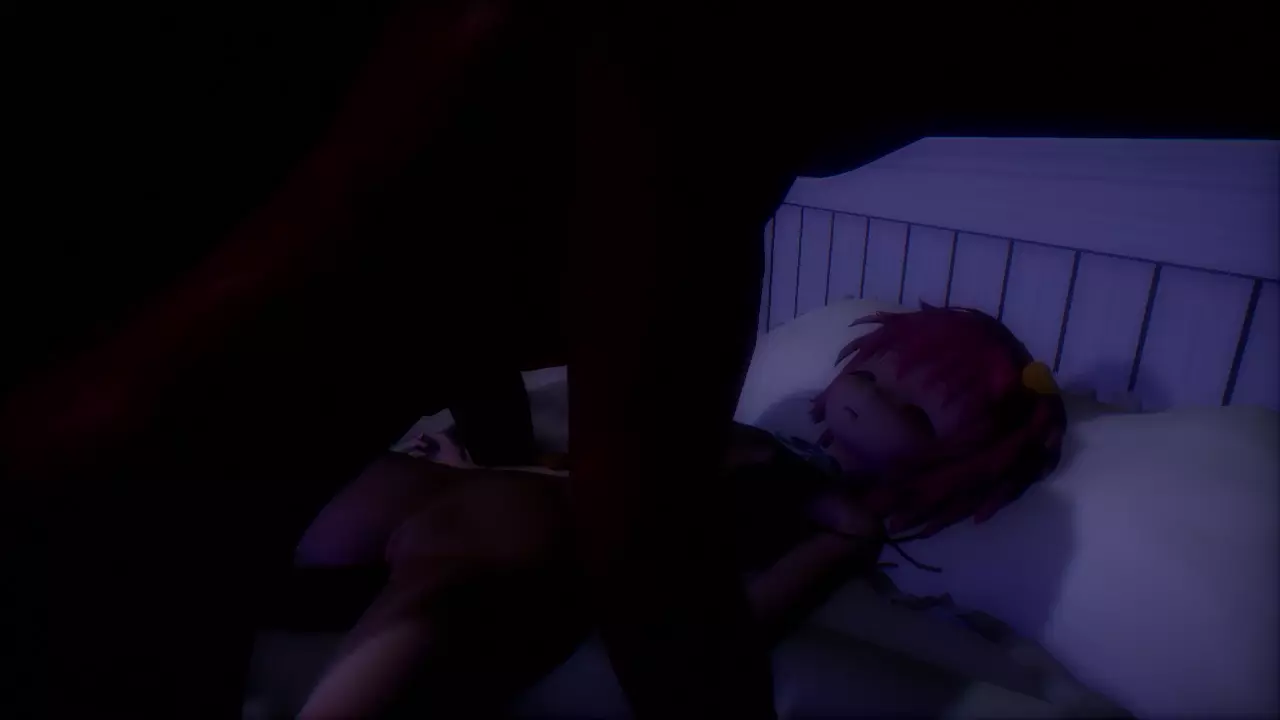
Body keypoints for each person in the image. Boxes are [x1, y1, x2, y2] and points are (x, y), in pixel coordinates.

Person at [4, 3, 1266, 718]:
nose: (851, 393)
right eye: (869, 369)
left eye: (898, 406)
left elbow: (668, 553)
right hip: (436, 485)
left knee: (474, 552)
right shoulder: (658, 125)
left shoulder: (819, 502)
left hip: (502, 521)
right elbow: (620, 464)